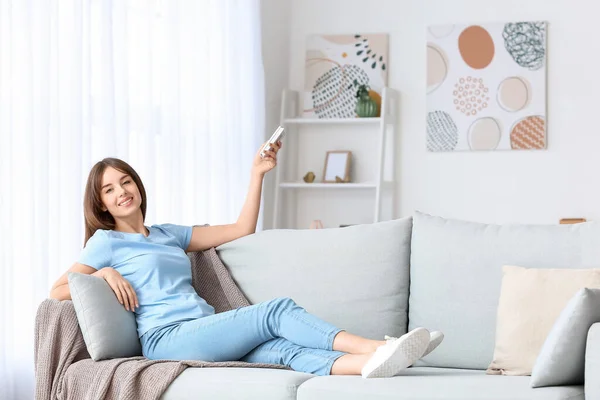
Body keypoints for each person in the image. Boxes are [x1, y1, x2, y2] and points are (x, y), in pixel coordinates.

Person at [49, 140, 444, 378]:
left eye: (126, 181)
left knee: (284, 351)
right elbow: (57, 290)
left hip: (204, 328)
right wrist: (103, 273)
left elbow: (241, 229)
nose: (122, 191)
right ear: (100, 202)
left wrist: (257, 175)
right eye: (110, 189)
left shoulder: (168, 233)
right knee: (275, 312)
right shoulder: (107, 242)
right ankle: (376, 347)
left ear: (137, 185)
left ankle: (370, 366)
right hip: (166, 339)